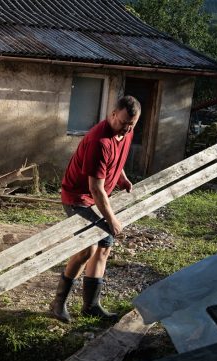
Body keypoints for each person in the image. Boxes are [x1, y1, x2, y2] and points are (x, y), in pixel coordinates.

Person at [49, 95, 140, 322]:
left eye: (131, 125)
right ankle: (57, 303)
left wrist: (122, 179)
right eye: (122, 123)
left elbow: (115, 162)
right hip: (77, 197)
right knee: (87, 249)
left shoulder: (126, 132)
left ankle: (91, 305)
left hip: (96, 198)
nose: (126, 129)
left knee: (103, 247)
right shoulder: (99, 141)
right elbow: (96, 188)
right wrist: (112, 219)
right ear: (112, 114)